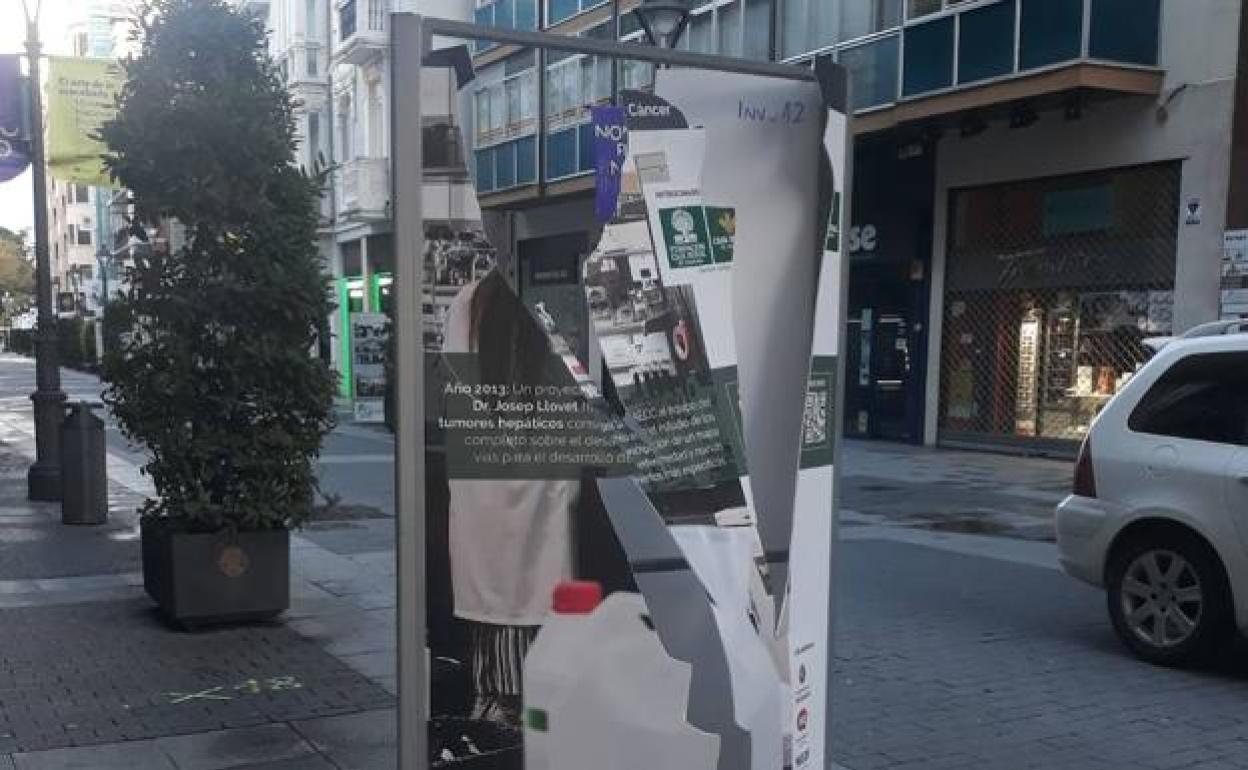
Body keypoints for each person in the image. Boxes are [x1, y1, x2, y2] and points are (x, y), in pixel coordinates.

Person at [442, 268, 578, 710]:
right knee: (546, 660)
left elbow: (455, 393)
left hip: (483, 500)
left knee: (493, 648)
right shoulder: (556, 300)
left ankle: (496, 728)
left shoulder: (469, 302)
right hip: (544, 498)